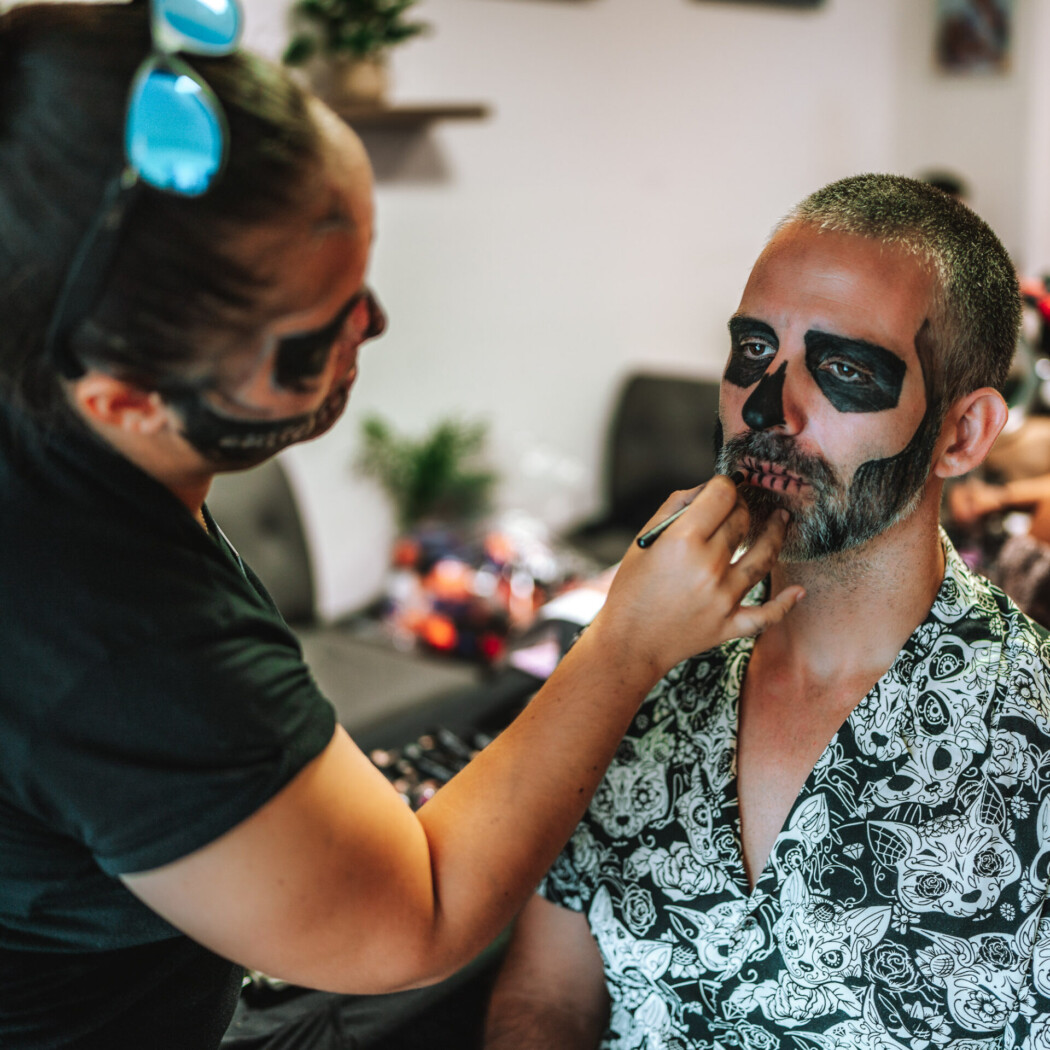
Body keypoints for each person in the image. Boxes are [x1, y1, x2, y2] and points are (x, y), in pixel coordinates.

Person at [0, 2, 806, 1047]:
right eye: (312, 332)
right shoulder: (114, 632)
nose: (372, 324)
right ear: (125, 399)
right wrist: (627, 642)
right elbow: (412, 918)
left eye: (364, 277)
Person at [483, 174, 1050, 1049]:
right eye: (753, 353)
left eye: (845, 370)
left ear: (963, 435)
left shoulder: (1034, 744)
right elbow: (547, 998)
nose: (764, 409)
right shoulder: (638, 664)